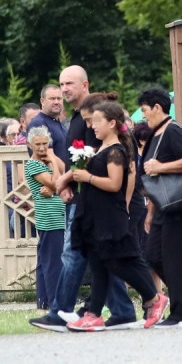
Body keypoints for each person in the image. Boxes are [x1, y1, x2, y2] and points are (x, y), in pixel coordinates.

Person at [28, 73, 136, 333]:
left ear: (85, 85)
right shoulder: (76, 118)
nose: (64, 89)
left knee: (73, 253)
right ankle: (122, 310)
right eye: (61, 84)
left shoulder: (94, 116)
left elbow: (93, 158)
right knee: (100, 257)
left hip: (93, 198)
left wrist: (65, 182)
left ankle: (60, 311)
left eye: (69, 84)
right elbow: (77, 159)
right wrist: (68, 183)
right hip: (83, 195)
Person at [56, 101, 168, 331]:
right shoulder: (99, 150)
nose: (92, 126)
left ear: (112, 123)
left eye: (97, 122)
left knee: (116, 263)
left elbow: (114, 184)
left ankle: (154, 297)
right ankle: (93, 314)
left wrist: (87, 177)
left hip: (109, 217)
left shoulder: (115, 151)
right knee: (99, 265)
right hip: (96, 216)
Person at [138, 88, 182, 326]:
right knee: (153, 255)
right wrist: (151, 212)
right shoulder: (154, 133)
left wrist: (161, 167)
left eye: (144, 111)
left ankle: (181, 311)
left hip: (178, 206)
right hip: (161, 206)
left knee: (173, 259)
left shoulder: (173, 130)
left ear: (157, 108)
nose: (143, 116)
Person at [25, 126, 65, 311]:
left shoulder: (46, 160)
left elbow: (62, 174)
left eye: (45, 143)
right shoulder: (33, 164)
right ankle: (54, 301)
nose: (42, 148)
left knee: (44, 260)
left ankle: (44, 301)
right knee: (53, 261)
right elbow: (57, 182)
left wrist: (53, 160)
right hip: (49, 217)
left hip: (54, 215)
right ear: (29, 144)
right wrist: (54, 168)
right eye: (38, 144)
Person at [29, 85, 67, 166]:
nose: (56, 102)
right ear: (42, 101)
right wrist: (67, 174)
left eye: (59, 98)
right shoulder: (39, 124)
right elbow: (48, 157)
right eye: (52, 99)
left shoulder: (60, 124)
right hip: (53, 177)